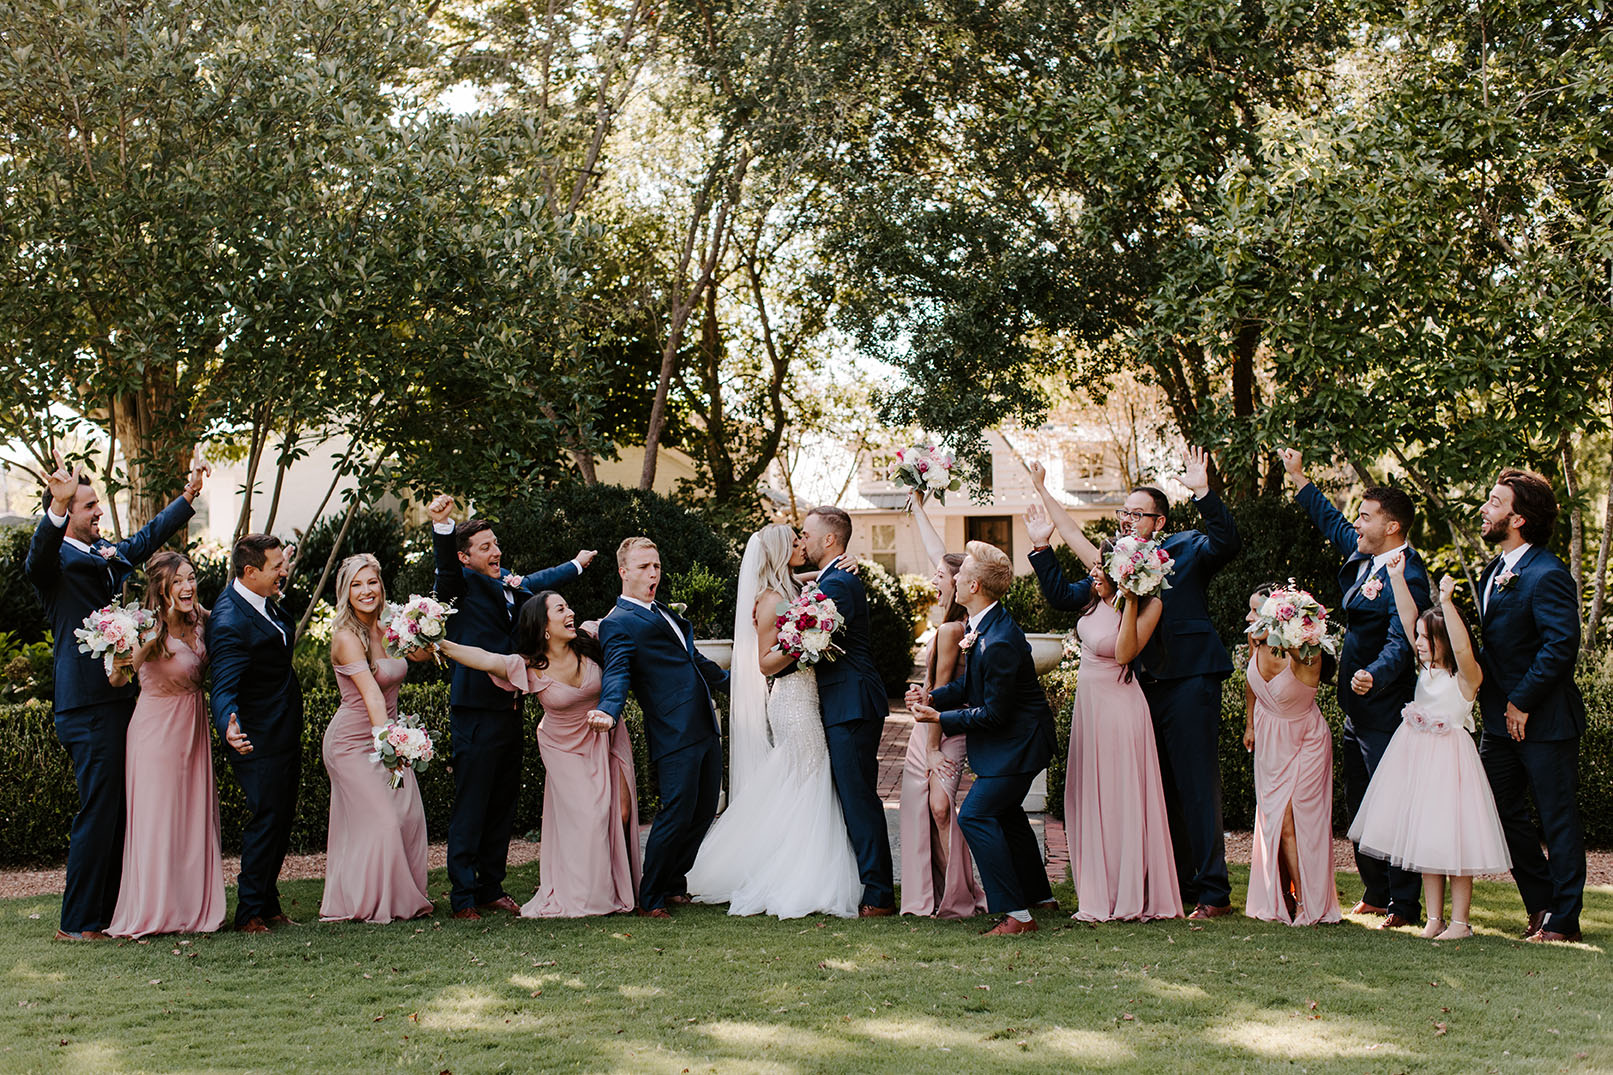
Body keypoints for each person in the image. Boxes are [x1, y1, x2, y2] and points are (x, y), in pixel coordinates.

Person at [1029, 448, 1239, 919]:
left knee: (1196, 784)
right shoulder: (1115, 559)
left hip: (1190, 677)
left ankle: (1214, 894)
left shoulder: (1186, 548)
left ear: (1159, 522)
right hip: (1141, 684)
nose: (1126, 519)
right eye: (1123, 512)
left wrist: (1203, 491)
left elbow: (1226, 543)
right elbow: (1073, 541)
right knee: (1160, 786)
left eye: (1136, 513)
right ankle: (1180, 883)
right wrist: (1043, 490)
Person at [26, 449, 206, 940]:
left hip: (120, 702)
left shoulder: (102, 555)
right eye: (88, 507)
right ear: (66, 513)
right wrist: (56, 510)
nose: (98, 512)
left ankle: (109, 912)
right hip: (86, 705)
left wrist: (187, 497)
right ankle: (78, 922)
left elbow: (146, 540)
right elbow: (35, 560)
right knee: (99, 808)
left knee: (119, 810)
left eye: (93, 505)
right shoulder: (55, 562)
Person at [427, 493, 597, 920]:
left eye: (496, 544)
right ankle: (463, 896)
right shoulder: (459, 585)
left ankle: (491, 886)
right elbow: (445, 571)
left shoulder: (509, 589)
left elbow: (538, 582)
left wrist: (575, 565)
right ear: (466, 557)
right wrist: (442, 528)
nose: (495, 551)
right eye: (485, 547)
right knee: (473, 802)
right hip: (474, 711)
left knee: (502, 801)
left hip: (512, 710)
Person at [1280, 448, 1430, 927]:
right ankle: (1376, 889)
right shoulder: (1366, 554)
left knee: (1391, 801)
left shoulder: (1406, 569)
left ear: (1391, 527)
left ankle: (1405, 903)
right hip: (1355, 705)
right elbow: (1332, 523)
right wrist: (1300, 479)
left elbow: (1404, 637)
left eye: (1365, 517)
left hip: (1385, 703)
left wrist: (1376, 674)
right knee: (1360, 798)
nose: (1356, 523)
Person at [685, 524, 861, 919]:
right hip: (791, 700)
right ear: (780, 552)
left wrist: (838, 568)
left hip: (809, 696)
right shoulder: (769, 600)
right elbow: (765, 662)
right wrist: (802, 642)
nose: (802, 545)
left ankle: (796, 862)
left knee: (802, 778)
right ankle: (799, 874)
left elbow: (812, 584)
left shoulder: (791, 590)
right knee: (810, 775)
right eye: (795, 543)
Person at [441, 592, 641, 918]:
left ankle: (617, 886)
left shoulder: (590, 638)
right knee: (589, 816)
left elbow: (624, 616)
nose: (570, 612)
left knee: (619, 812)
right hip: (563, 747)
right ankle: (587, 897)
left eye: (568, 606)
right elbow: (482, 658)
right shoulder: (529, 667)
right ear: (544, 626)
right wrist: (440, 644)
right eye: (561, 609)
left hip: (605, 738)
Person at [1349, 566, 1510, 938]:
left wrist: (1447, 603)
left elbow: (1464, 647)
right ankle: (1434, 919)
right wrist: (1395, 579)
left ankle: (1460, 922)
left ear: (1444, 640)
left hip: (1450, 765)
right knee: (1427, 841)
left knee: (1454, 842)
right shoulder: (1426, 671)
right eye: (1418, 637)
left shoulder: (1465, 678)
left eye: (1426, 638)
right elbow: (1408, 617)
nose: (1418, 642)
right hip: (1417, 761)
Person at [910, 541, 1056, 936]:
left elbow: (995, 713)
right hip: (1010, 742)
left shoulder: (999, 640)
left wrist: (940, 717)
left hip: (1019, 745)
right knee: (1006, 814)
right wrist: (931, 697)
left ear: (974, 587)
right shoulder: (982, 626)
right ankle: (1039, 895)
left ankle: (1017, 915)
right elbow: (970, 685)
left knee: (975, 815)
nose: (954, 577)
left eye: (962, 572)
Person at [589, 537, 729, 917]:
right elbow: (617, 672)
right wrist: (608, 709)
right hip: (672, 730)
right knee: (677, 811)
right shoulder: (618, 623)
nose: (653, 573)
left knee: (702, 811)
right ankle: (650, 896)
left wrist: (740, 682)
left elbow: (695, 660)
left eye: (656, 566)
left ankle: (673, 883)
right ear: (623, 572)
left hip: (704, 725)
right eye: (643, 567)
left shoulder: (663, 612)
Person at [1475, 469, 1586, 943]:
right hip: (1498, 723)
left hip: (1544, 721)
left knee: (1556, 817)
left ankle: (1565, 920)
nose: (1485, 508)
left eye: (1495, 502)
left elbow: (1561, 645)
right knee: (1497, 808)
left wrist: (1521, 702)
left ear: (1517, 518)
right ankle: (1541, 905)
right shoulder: (1492, 571)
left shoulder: (1548, 573)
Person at [105, 551, 225, 938]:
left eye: (190, 578)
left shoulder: (202, 619)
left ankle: (191, 908)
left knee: (192, 815)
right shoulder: (146, 629)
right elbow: (117, 681)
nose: (188, 587)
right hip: (155, 731)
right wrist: (145, 643)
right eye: (178, 582)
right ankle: (156, 910)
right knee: (159, 819)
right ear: (162, 587)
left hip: (193, 725)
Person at [1064, 542, 1182, 923]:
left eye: (1101, 568)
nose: (1094, 573)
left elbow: (1124, 653)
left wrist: (1130, 600)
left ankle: (1126, 892)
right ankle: (1099, 886)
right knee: (1093, 793)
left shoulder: (1150, 606)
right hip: (1091, 708)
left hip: (1119, 711)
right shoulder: (1092, 601)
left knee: (1119, 798)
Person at [318, 554, 434, 924]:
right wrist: (393, 743)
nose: (366, 591)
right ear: (345, 592)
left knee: (408, 816)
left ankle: (402, 897)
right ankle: (369, 902)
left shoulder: (389, 627)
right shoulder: (346, 638)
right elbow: (370, 693)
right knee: (383, 819)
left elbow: (423, 653)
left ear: (382, 587)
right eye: (356, 585)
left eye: (372, 583)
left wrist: (425, 623)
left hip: (387, 731)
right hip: (353, 742)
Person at [798, 505, 896, 916]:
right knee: (853, 796)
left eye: (806, 534)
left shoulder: (839, 584)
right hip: (847, 701)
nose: (800, 540)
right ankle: (866, 882)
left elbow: (810, 640)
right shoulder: (834, 578)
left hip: (851, 703)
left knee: (859, 799)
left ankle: (878, 894)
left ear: (829, 540)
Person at [208, 534, 304, 934]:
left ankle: (268, 902)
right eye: (276, 566)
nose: (283, 571)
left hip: (284, 728)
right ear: (249, 572)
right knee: (265, 817)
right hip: (255, 735)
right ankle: (248, 912)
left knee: (281, 818)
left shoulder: (264, 600)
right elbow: (224, 684)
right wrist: (228, 722)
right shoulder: (229, 620)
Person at [897, 492, 987, 918]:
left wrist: (933, 745)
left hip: (944, 731)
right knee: (929, 811)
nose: (932, 580)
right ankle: (938, 895)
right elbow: (936, 684)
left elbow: (947, 688)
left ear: (959, 581)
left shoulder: (956, 628)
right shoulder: (949, 624)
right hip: (927, 727)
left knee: (940, 808)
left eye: (939, 576)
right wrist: (918, 505)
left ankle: (961, 898)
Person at [1241, 583, 1342, 927]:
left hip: (1306, 742)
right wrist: (1249, 724)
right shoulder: (1256, 645)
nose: (1249, 616)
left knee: (1297, 821)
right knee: (1276, 819)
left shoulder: (1305, 657)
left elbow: (1306, 660)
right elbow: (1251, 685)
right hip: (1270, 741)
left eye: (1256, 610)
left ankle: (1308, 903)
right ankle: (1284, 894)